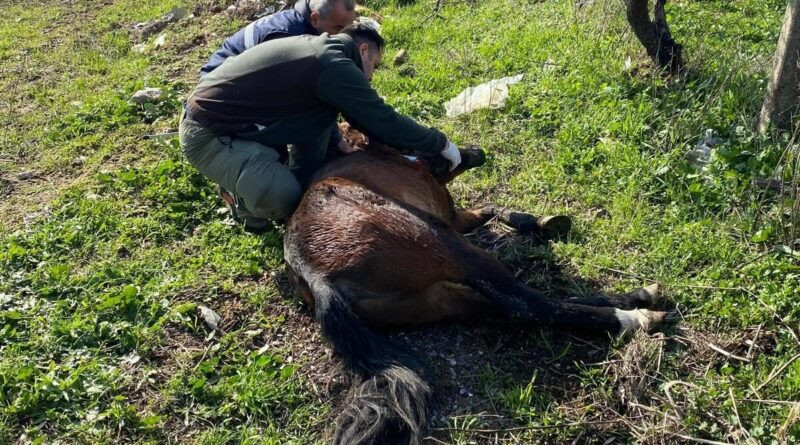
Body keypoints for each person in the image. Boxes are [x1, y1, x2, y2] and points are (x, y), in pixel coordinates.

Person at [180, 24, 462, 231]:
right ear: (363, 50)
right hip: (208, 134)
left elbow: (316, 116)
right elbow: (380, 120)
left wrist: (336, 138)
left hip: (242, 122)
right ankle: (243, 205)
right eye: (374, 66)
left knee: (312, 152)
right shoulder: (332, 63)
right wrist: (440, 144)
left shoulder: (321, 51)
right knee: (284, 196)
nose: (372, 77)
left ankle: (253, 169)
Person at [200, 0, 357, 76]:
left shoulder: (301, 23)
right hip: (217, 87)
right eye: (337, 28)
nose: (341, 35)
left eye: (346, 29)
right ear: (315, 18)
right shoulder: (287, 36)